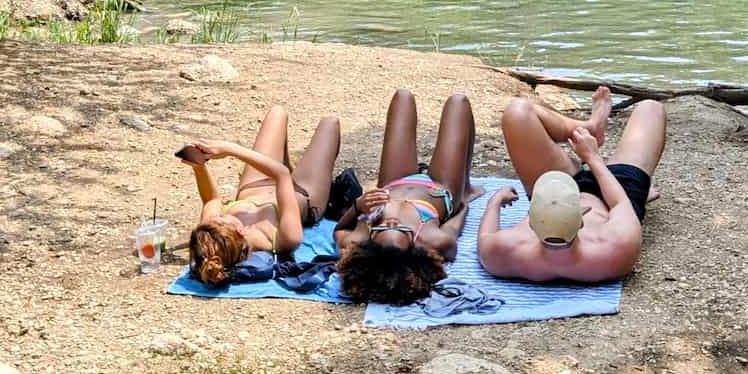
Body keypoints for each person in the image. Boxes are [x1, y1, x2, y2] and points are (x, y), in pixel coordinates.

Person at [478, 89, 666, 284]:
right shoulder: (614, 248)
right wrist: (592, 158)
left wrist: (495, 202)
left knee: (517, 111)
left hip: (558, 188)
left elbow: (486, 236)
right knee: (650, 108)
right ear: (582, 218)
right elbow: (620, 202)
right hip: (616, 192)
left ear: (530, 222)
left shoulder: (504, 253)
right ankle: (588, 139)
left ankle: (588, 127)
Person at [335, 89, 481, 304]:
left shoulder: (358, 238)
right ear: (415, 247)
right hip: (439, 189)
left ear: (371, 243)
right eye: (402, 229)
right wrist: (463, 203)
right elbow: (454, 225)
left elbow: (339, 230)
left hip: (394, 183)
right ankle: (466, 185)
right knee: (458, 102)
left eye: (384, 227)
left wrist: (357, 207)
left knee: (402, 97)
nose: (392, 222)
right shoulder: (434, 240)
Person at [176, 108, 341, 286]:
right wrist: (231, 150)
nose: (219, 215)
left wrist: (199, 168)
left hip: (255, 184)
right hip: (301, 193)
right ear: (241, 231)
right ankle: (296, 166)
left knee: (277, 113)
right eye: (223, 218)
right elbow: (282, 175)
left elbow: (212, 200)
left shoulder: (211, 232)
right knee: (330, 123)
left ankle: (285, 159)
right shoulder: (284, 239)